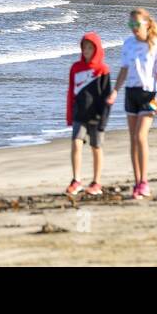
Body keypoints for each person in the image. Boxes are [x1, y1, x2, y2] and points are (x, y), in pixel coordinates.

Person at [114, 8, 157, 201]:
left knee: (140, 136)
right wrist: (114, 91)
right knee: (132, 139)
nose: (134, 29)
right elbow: (123, 70)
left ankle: (144, 182)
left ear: (146, 24)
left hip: (148, 95)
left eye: (137, 24)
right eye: (131, 25)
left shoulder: (156, 43)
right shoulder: (127, 44)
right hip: (131, 93)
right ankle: (137, 182)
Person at [65, 33, 114, 197]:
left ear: (97, 49)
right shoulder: (75, 68)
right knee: (76, 143)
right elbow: (71, 93)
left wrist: (104, 120)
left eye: (90, 48)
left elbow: (108, 97)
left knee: (96, 147)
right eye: (84, 47)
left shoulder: (103, 70)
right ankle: (76, 180)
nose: (86, 50)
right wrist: (70, 115)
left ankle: (96, 182)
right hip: (80, 115)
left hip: (97, 116)